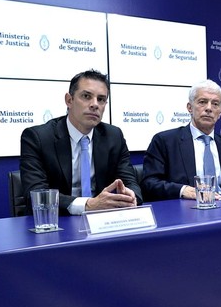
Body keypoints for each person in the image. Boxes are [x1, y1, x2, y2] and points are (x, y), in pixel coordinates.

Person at [20, 69, 141, 215]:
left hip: (102, 221)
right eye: (86, 96)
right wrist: (88, 205)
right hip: (58, 220)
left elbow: (130, 182)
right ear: (69, 100)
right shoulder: (38, 137)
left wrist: (131, 196)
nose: (95, 104)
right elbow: (37, 194)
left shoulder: (113, 136)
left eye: (101, 99)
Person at [142, 79, 221, 201]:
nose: (209, 108)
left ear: (220, 113)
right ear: (190, 107)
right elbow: (149, 183)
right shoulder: (165, 142)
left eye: (215, 104)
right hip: (186, 210)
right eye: (202, 102)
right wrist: (183, 190)